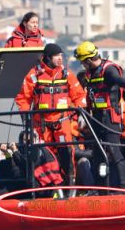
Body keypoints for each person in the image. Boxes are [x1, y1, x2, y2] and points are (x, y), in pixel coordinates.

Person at [15, 43, 86, 186]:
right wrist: (25, 117)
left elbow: (79, 95)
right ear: (47, 57)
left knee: (67, 152)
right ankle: (47, 187)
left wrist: (82, 113)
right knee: (43, 155)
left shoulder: (67, 74)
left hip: (62, 121)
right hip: (41, 124)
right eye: (56, 56)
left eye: (61, 55)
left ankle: (69, 185)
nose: (60, 58)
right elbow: (23, 98)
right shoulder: (34, 75)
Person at [74, 41, 125, 189]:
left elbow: (117, 79)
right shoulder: (90, 73)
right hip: (96, 117)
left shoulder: (108, 70)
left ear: (89, 60)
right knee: (97, 154)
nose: (83, 66)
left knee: (115, 152)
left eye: (83, 62)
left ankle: (122, 188)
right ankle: (100, 187)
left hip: (110, 118)